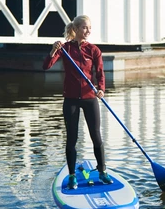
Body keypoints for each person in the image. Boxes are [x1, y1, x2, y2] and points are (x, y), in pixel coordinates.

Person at [42, 15, 113, 189]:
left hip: (90, 98)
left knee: (96, 136)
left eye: (89, 28)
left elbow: (100, 73)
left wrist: (101, 88)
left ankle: (102, 171)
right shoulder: (65, 49)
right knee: (71, 138)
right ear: (76, 29)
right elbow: (46, 66)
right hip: (71, 99)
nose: (88, 31)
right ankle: (72, 175)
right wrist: (53, 51)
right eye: (84, 28)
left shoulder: (94, 50)